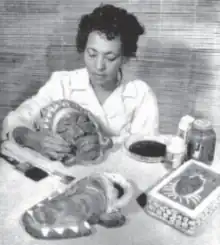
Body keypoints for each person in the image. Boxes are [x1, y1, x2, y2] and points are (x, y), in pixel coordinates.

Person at [1, 4, 159, 160]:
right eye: (92, 54)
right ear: (83, 50)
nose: (99, 66)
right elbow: (14, 121)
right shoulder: (63, 83)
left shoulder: (140, 94)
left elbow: (145, 149)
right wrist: (34, 140)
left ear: (124, 58)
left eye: (110, 58)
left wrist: (109, 144)